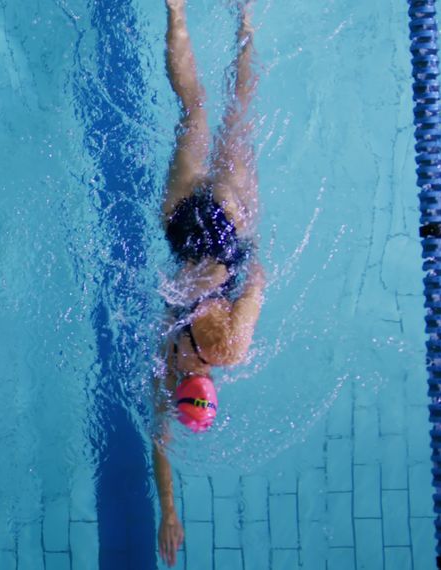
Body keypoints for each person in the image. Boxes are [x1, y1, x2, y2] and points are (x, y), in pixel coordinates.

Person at [152, 0, 266, 565]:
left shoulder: (233, 348)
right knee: (194, 110)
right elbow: (159, 444)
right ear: (181, 394)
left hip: (226, 231)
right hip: (180, 225)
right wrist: (168, 510)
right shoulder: (166, 361)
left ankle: (245, 19)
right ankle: (176, 9)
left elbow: (258, 282)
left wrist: (248, 252)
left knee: (237, 114)